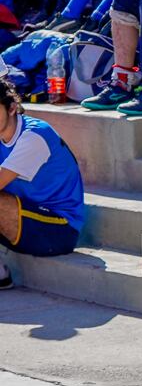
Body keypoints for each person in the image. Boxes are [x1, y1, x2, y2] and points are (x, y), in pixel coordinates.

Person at [0, 79, 86, 290]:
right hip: (27, 215)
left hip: (59, 229)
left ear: (11, 108)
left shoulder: (34, 137)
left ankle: (1, 276)